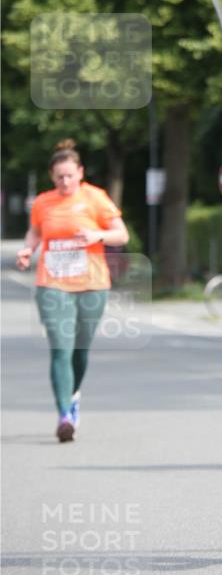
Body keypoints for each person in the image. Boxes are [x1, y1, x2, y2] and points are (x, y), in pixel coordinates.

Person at [16, 140, 129, 442]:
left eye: (69, 175)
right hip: (52, 283)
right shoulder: (43, 202)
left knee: (80, 350)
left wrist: (96, 234)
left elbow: (122, 233)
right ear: (52, 177)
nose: (65, 182)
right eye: (59, 177)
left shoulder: (96, 198)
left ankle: (74, 394)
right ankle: (64, 415)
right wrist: (28, 249)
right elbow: (36, 231)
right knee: (60, 348)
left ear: (80, 172)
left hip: (92, 284)